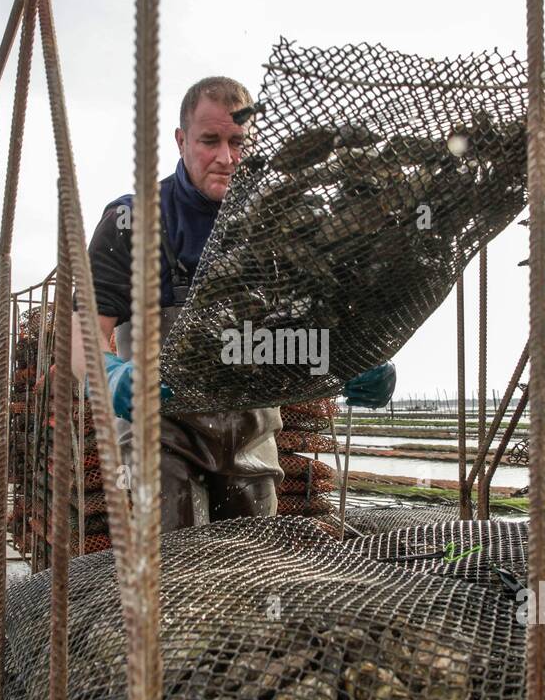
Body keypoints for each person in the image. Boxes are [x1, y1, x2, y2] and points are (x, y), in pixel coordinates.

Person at [74, 76, 396, 532]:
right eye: (210, 141)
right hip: (162, 436)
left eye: (238, 142)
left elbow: (327, 321)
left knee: (248, 566)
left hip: (252, 438)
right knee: (179, 561)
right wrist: (106, 373)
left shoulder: (286, 226)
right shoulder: (133, 221)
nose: (226, 158)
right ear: (181, 140)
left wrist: (364, 359)